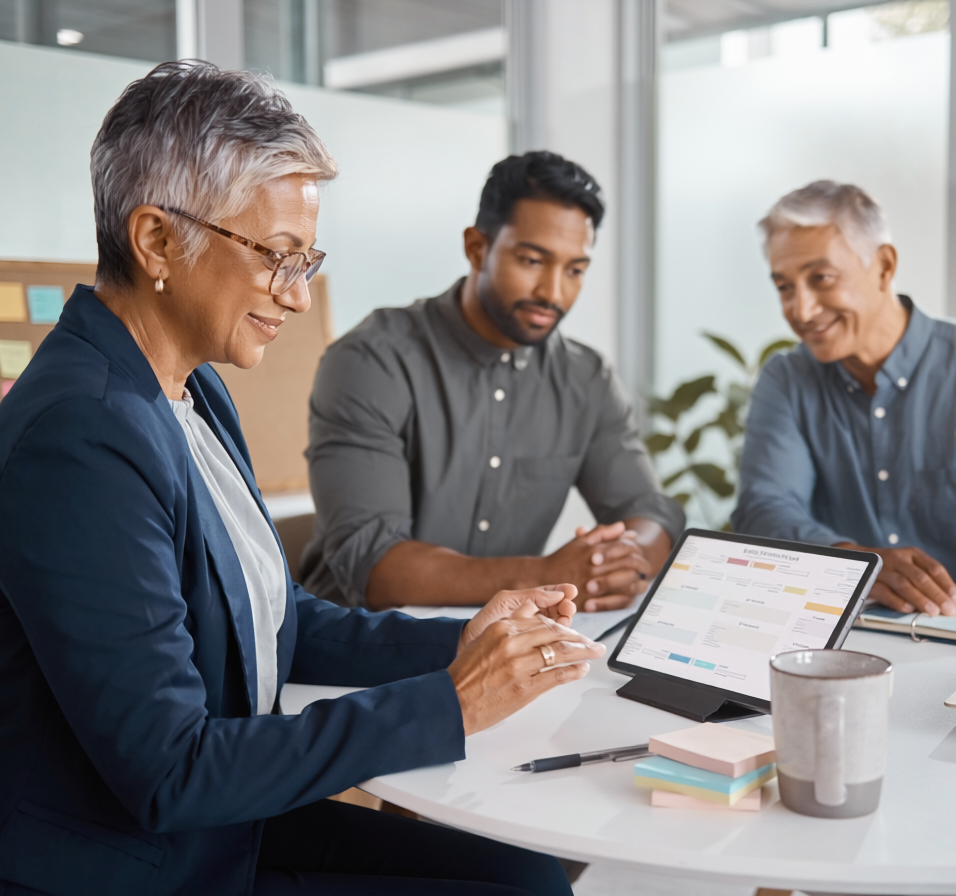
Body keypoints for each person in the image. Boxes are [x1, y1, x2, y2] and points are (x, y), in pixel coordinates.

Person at [0, 61, 603, 896]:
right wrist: (452, 704)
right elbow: (172, 770)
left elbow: (278, 622)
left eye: (306, 259)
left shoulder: (191, 387)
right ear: (156, 241)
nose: (296, 294)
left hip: (217, 829)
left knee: (532, 880)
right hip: (140, 862)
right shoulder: (82, 436)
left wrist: (465, 643)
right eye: (277, 256)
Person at [301, 152, 685, 614]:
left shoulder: (586, 379)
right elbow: (375, 567)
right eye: (531, 260)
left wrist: (621, 561)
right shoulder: (372, 362)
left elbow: (651, 511)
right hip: (354, 652)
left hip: (508, 648)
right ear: (477, 248)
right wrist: (546, 576)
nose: (553, 292)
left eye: (575, 270)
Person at [732, 180, 956, 615]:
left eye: (821, 278)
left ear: (884, 266)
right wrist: (857, 566)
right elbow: (764, 511)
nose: (802, 310)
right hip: (843, 638)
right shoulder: (788, 379)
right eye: (784, 287)